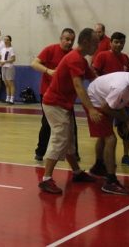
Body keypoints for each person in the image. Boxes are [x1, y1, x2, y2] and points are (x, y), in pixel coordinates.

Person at [38, 28, 103, 195]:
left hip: (64, 105)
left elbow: (95, 79)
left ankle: (77, 172)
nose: (97, 46)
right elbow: (78, 86)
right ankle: (46, 179)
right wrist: (91, 109)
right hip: (54, 103)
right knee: (60, 138)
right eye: (95, 43)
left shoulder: (81, 60)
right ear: (86, 42)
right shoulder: (74, 59)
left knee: (69, 140)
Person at [86, 72, 129, 195]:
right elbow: (105, 108)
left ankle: (98, 167)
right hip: (95, 99)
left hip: (102, 96)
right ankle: (110, 181)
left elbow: (120, 104)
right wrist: (126, 120)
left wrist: (128, 119)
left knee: (104, 136)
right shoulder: (121, 88)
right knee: (111, 138)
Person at [92, 31, 129, 168]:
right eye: (116, 42)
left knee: (127, 128)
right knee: (104, 134)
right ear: (111, 42)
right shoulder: (102, 56)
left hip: (123, 100)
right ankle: (100, 160)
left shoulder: (125, 57)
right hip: (106, 100)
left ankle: (126, 156)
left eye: (122, 42)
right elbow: (94, 72)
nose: (119, 45)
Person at [31, 28, 78, 161]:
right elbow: (34, 63)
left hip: (65, 96)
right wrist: (48, 71)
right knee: (47, 124)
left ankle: (74, 154)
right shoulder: (50, 50)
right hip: (48, 95)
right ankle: (40, 152)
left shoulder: (73, 54)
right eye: (67, 39)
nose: (69, 42)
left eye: (72, 40)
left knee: (71, 125)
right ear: (61, 38)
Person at [0, 35, 16, 104]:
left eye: (7, 40)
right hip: (3, 67)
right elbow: (2, 59)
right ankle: (7, 98)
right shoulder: (2, 49)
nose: (5, 41)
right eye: (5, 40)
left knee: (10, 83)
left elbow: (13, 59)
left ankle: (12, 98)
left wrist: (5, 62)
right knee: (6, 84)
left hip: (9, 67)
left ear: (10, 41)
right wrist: (0, 62)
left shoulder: (11, 49)